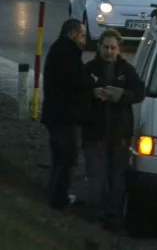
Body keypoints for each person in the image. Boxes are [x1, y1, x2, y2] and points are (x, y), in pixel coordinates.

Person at [81, 29, 145, 231]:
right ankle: (94, 215)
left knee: (117, 178)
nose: (109, 52)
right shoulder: (88, 69)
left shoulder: (126, 69)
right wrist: (91, 94)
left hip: (120, 134)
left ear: (119, 50)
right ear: (99, 47)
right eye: (106, 47)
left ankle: (114, 218)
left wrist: (121, 95)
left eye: (113, 48)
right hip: (94, 132)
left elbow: (140, 92)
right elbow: (75, 92)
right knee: (96, 176)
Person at [40, 18, 93, 210]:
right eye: (83, 36)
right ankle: (59, 198)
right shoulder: (68, 53)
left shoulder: (60, 50)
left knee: (59, 157)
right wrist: (91, 83)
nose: (84, 41)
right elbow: (75, 81)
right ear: (72, 33)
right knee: (67, 157)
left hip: (56, 114)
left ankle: (54, 192)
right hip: (64, 116)